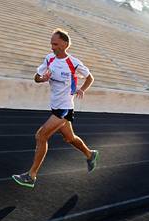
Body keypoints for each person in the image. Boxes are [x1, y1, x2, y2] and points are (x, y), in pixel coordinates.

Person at [12, 28, 99, 188]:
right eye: (51, 43)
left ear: (65, 44)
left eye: (56, 44)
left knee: (41, 136)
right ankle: (90, 154)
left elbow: (90, 77)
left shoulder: (73, 62)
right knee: (69, 138)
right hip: (55, 106)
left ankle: (31, 176)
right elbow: (36, 77)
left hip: (65, 107)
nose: (52, 47)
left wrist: (82, 89)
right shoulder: (49, 59)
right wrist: (42, 78)